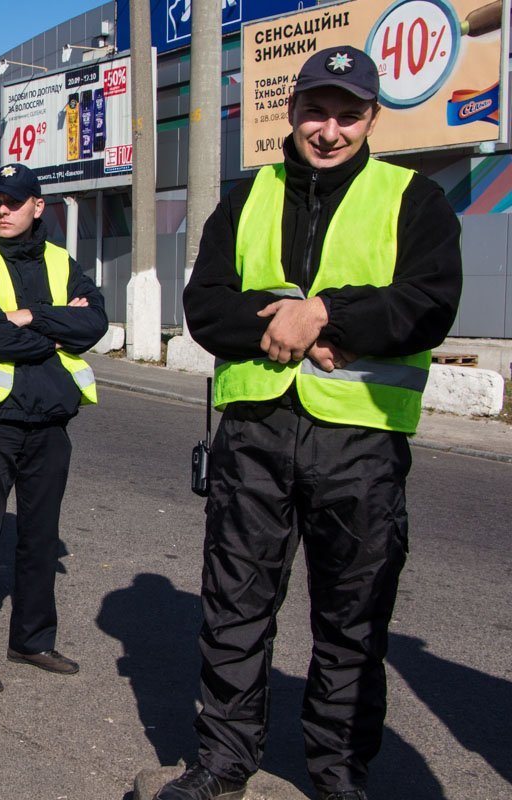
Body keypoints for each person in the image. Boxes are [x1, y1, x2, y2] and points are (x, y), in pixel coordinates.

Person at [155, 46, 461, 800]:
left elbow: (427, 305)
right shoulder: (247, 194)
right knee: (235, 608)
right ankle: (224, 761)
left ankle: (336, 775)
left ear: (371, 118)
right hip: (255, 434)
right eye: (316, 111)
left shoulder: (411, 198)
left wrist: (327, 311)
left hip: (359, 442)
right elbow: (206, 306)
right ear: (290, 111)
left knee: (352, 620)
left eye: (347, 114)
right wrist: (280, 324)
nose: (329, 130)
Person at [0, 163, 108, 693]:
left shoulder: (62, 261)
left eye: (13, 202)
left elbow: (95, 324)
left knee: (40, 539)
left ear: (38, 206)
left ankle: (32, 640)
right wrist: (57, 328)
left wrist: (28, 316)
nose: (2, 210)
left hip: (50, 425)